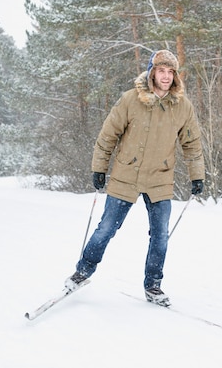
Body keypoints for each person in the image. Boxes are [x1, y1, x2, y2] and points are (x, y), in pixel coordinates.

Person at [65, 50, 205, 307]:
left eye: (170, 72)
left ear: (175, 76)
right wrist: (99, 168)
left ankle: (153, 285)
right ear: (152, 72)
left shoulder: (182, 107)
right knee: (107, 228)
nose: (166, 76)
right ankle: (82, 271)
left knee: (160, 235)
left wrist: (197, 176)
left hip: (160, 179)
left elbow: (192, 145)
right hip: (125, 175)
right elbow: (108, 135)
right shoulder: (130, 100)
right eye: (161, 71)